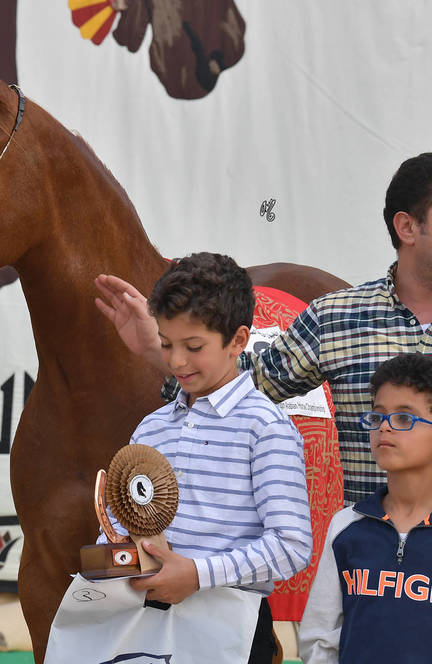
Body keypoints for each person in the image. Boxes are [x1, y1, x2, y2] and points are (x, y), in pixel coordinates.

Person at [95, 153, 432, 505]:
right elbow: (242, 386)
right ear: (407, 227)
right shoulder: (337, 316)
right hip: (368, 549)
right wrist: (158, 349)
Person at [98, 253, 313, 662]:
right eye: (165, 344)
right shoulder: (151, 428)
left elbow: (291, 544)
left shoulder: (264, 427)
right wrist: (114, 560)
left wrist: (197, 575)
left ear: (238, 340)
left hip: (233, 630)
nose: (176, 361)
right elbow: (119, 520)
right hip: (144, 627)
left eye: (193, 346)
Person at [298, 353, 432, 663]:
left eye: (403, 418)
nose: (384, 428)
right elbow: (319, 636)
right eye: (377, 416)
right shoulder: (346, 525)